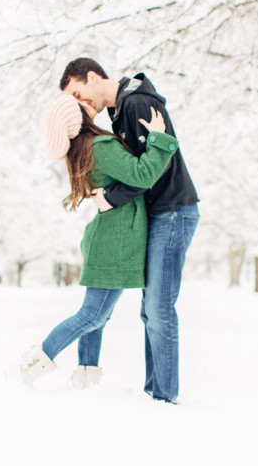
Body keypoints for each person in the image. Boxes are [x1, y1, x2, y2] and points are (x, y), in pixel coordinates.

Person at [59, 59, 199, 403]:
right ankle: (156, 392)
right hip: (162, 213)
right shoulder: (122, 108)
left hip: (173, 211)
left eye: (79, 92)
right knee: (151, 309)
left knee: (159, 308)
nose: (81, 103)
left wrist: (109, 197)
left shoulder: (135, 103)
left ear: (93, 77)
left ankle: (165, 397)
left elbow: (145, 172)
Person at [21, 92, 179, 388]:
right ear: (78, 118)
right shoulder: (100, 146)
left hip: (109, 237)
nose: (90, 105)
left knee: (97, 317)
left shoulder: (82, 149)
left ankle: (85, 374)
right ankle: (34, 361)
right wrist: (159, 139)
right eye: (82, 106)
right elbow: (142, 175)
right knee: (91, 315)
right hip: (114, 242)